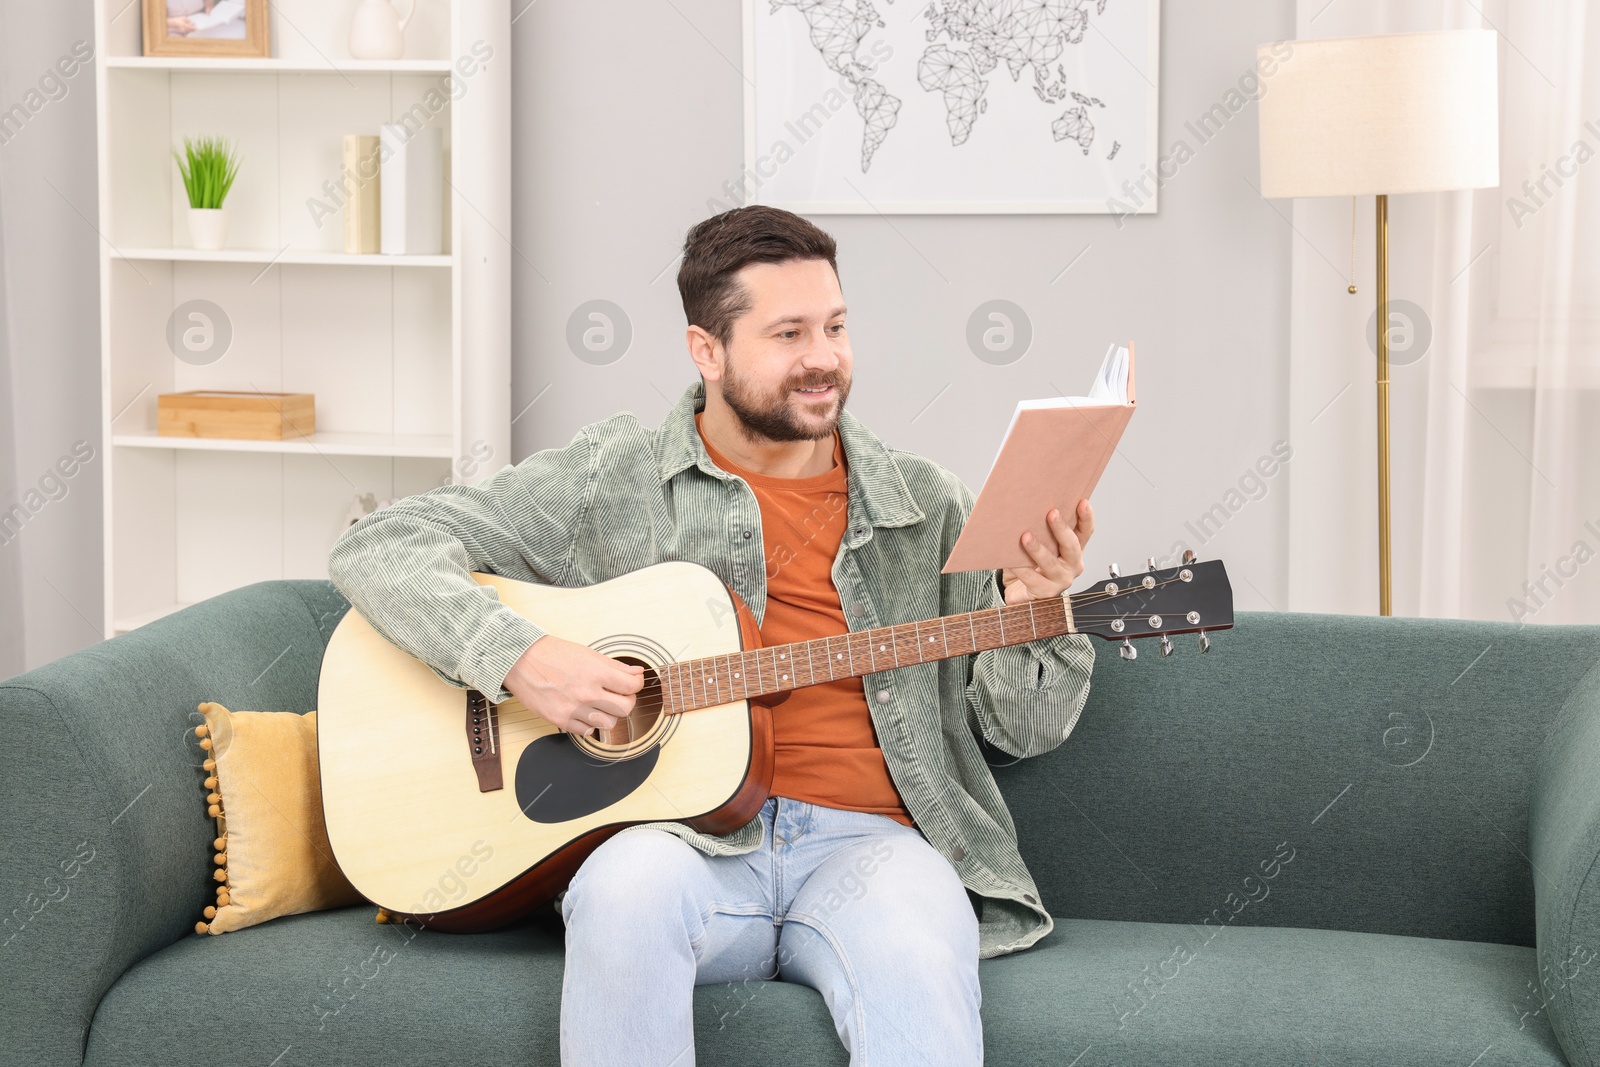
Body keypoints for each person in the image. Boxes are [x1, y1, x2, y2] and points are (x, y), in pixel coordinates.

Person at [327, 205, 1097, 1065]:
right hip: (680, 844)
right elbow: (381, 544)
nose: (824, 358)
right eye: (789, 332)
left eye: (837, 326)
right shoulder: (609, 477)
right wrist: (521, 659)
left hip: (873, 848)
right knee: (624, 890)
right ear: (707, 350)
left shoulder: (927, 504)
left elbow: (1019, 731)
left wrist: (1036, 606)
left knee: (919, 948)